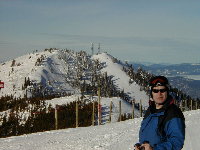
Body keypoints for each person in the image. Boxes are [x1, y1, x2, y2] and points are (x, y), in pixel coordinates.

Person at [134, 76, 185, 150]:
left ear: (167, 92)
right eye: (155, 91)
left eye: (162, 90)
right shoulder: (150, 110)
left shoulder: (173, 113)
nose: (159, 93)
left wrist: (154, 149)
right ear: (151, 93)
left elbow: (177, 142)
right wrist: (140, 146)